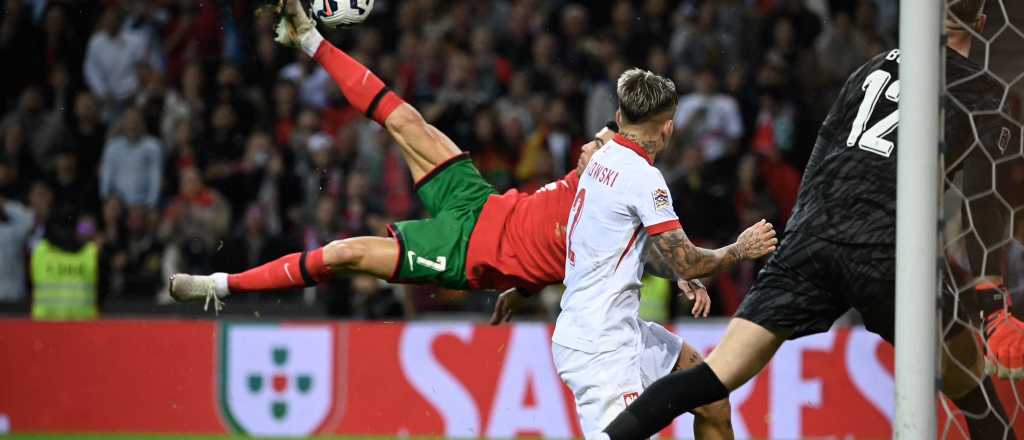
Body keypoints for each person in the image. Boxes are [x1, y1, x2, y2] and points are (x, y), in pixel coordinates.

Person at [168, 2, 770, 436]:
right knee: (404, 119)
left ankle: (223, 284)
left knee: (348, 253)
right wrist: (690, 265)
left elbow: (637, 251)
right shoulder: (614, 164)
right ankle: (308, 39)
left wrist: (681, 268)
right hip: (482, 204)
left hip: (467, 253)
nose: (593, 147)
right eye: (596, 140)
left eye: (602, 141)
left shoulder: (621, 195)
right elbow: (646, 245)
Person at [601, 1, 1023, 439]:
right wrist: (991, 297)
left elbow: (824, 148)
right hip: (886, 248)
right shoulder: (984, 92)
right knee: (974, 393)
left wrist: (804, 230)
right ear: (981, 23)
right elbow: (985, 197)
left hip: (811, 237)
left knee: (711, 378)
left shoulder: (872, 67)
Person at [553, 68, 776, 439]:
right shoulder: (642, 178)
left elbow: (633, 249)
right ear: (669, 128)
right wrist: (739, 250)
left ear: (620, 117)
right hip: (601, 349)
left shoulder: (602, 160)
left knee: (711, 397)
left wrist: (677, 271)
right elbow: (687, 259)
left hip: (613, 329)